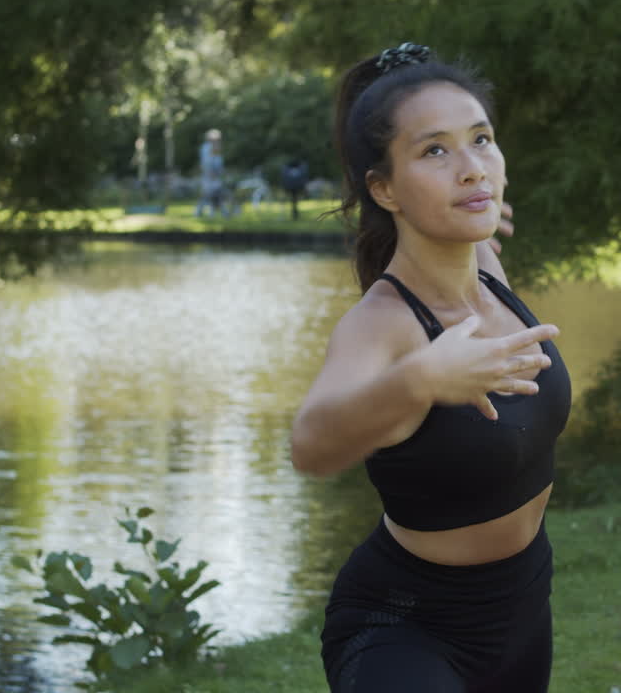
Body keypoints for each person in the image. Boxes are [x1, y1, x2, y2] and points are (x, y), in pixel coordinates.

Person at [291, 42, 571, 693]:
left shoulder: (489, 275)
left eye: (482, 140)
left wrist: (472, 215)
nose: (472, 167)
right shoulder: (383, 325)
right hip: (406, 628)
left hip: (523, 612)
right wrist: (421, 380)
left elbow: (473, 225)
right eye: (435, 151)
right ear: (384, 188)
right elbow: (310, 443)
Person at [194, 128, 230, 218]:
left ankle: (219, 212)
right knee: (208, 194)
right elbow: (206, 162)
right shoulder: (206, 148)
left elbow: (218, 162)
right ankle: (201, 211)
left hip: (216, 175)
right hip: (209, 175)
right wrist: (210, 172)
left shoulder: (217, 147)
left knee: (216, 194)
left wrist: (221, 171)